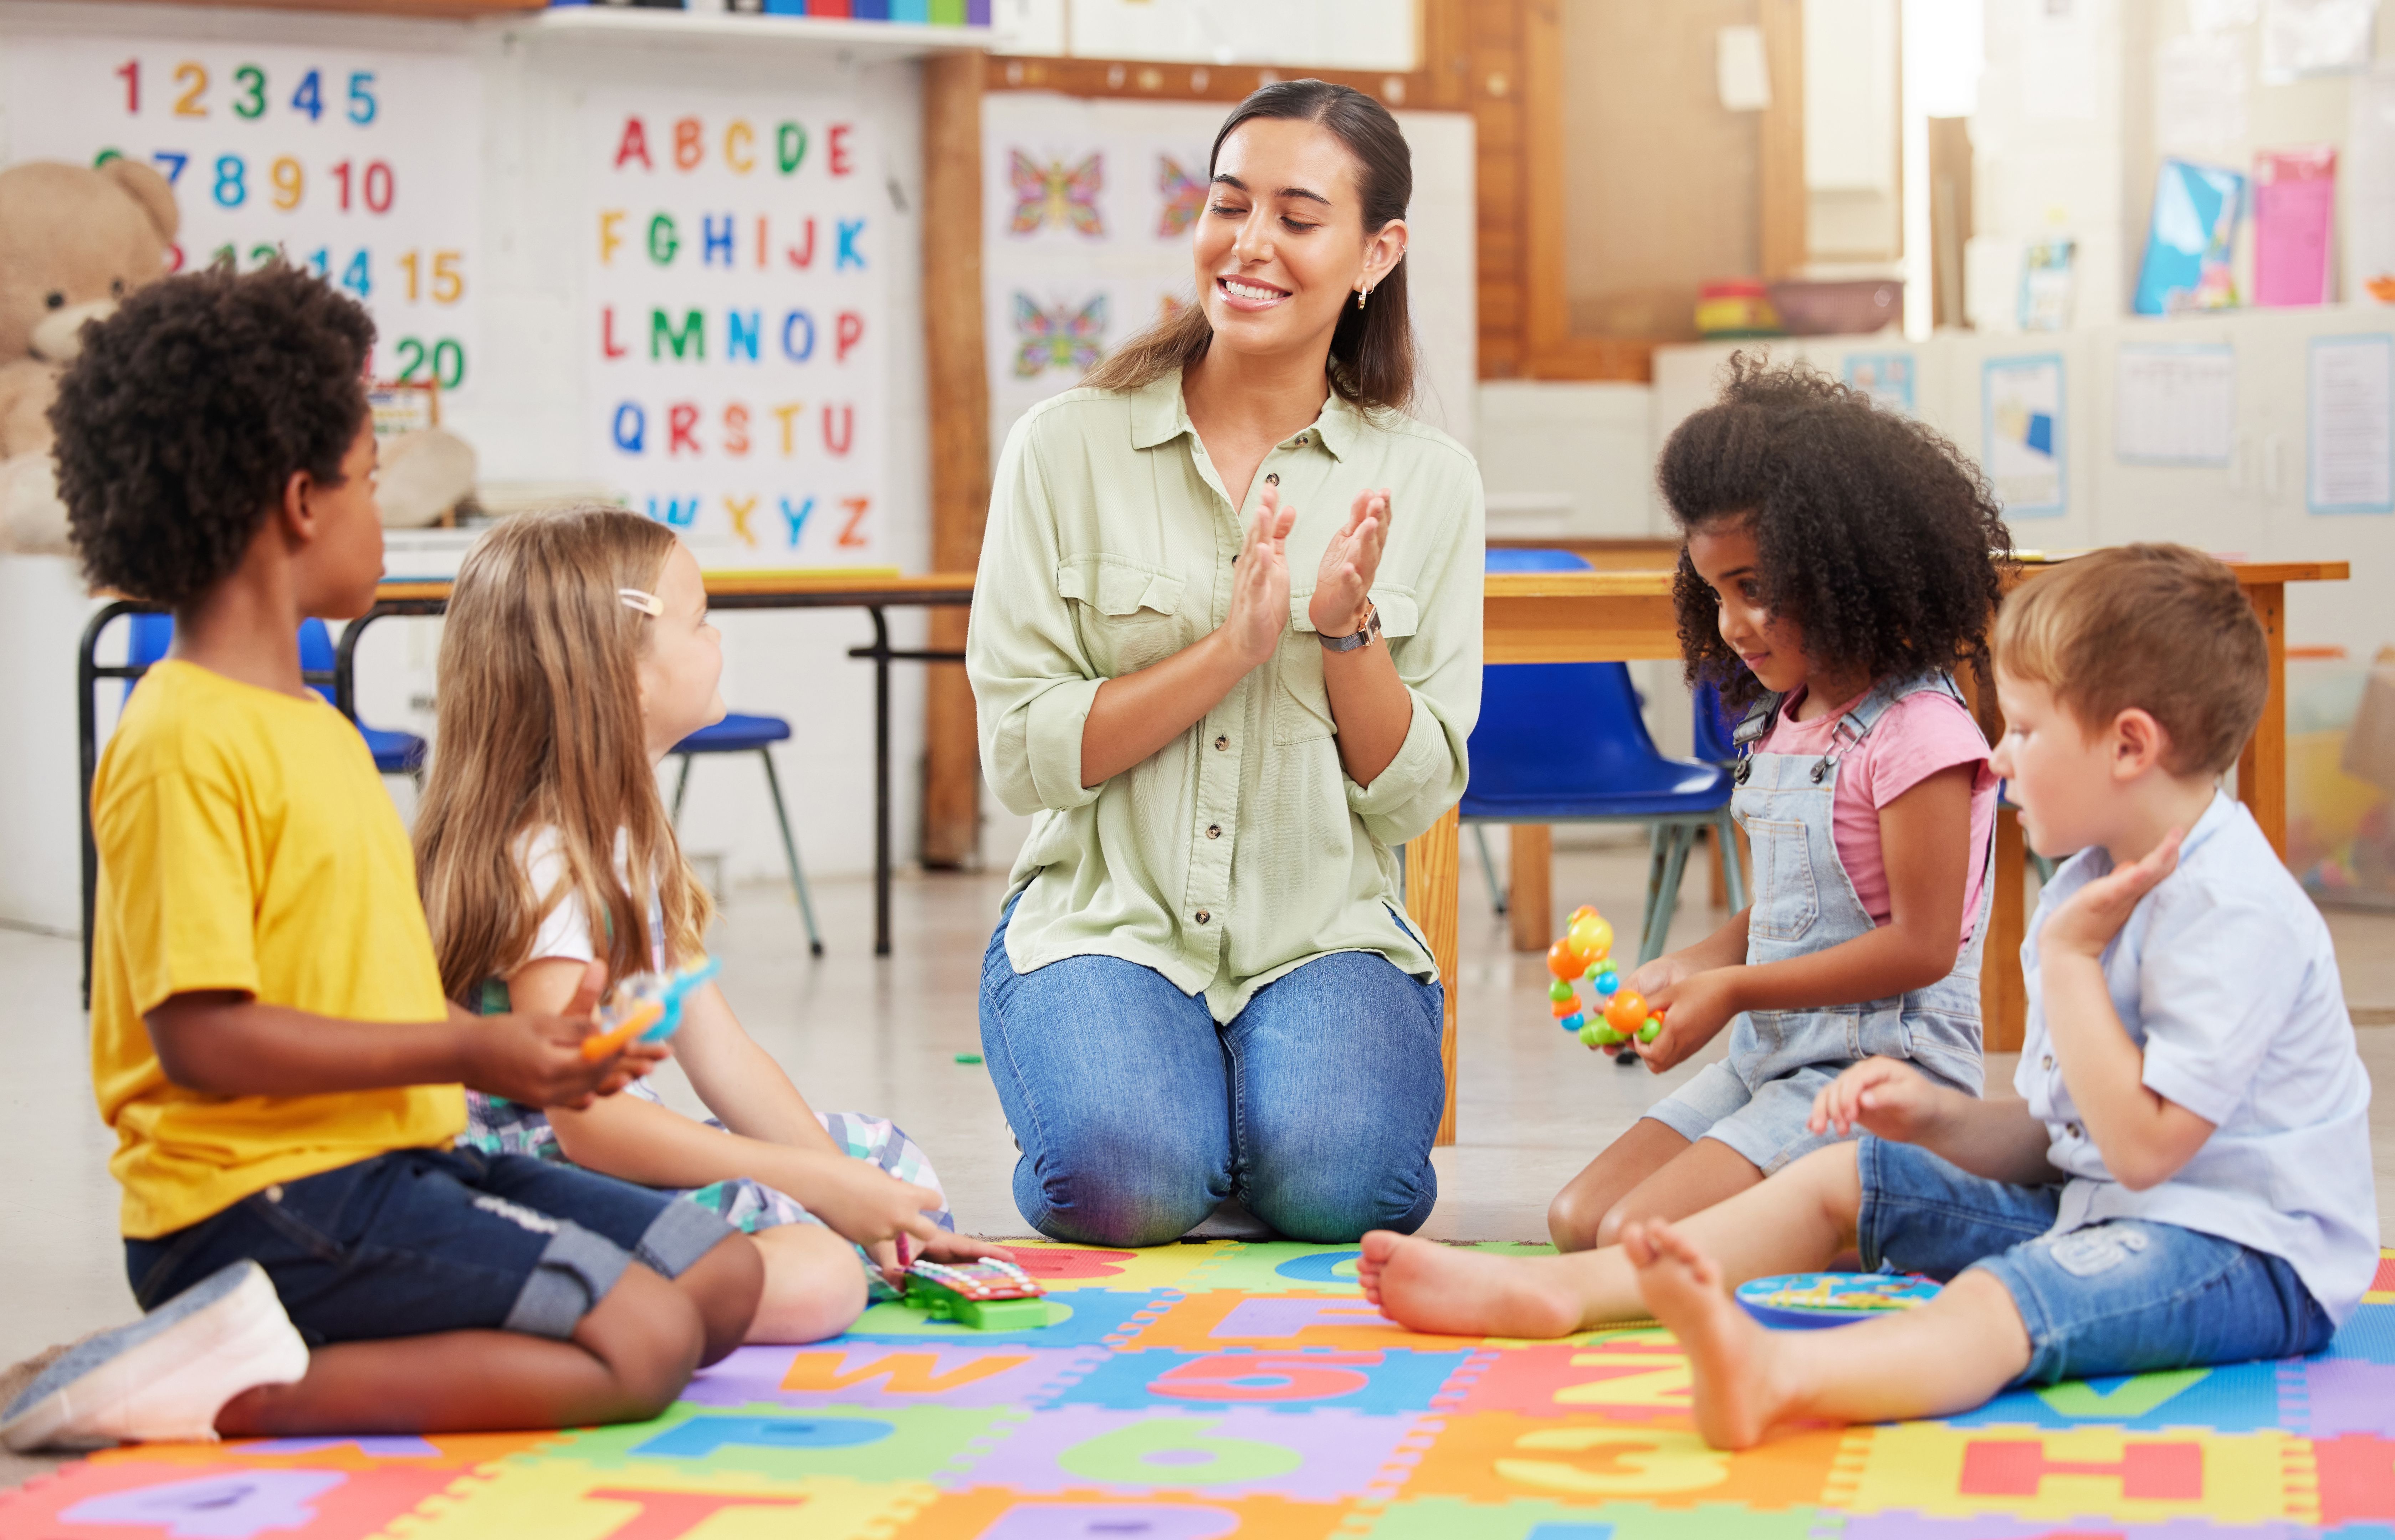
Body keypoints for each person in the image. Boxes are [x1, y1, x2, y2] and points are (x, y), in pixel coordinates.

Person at [1356, 544, 2377, 1449]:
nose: (1999, 756)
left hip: (2243, 1253)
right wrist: (1939, 1119)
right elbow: (2072, 1138)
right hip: (2096, 1206)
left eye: (2020, 730)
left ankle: (1785, 1378)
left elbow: (2149, 1149)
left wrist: (2062, 968)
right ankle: (1553, 1294)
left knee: (1996, 1300)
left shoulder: (2225, 909)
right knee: (1843, 1175)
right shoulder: (2088, 881)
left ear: (2126, 745)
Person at [3, 265, 762, 1454]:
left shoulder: (313, 723)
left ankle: (283, 1346)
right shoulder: (180, 738)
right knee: (646, 1347)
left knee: (718, 1282)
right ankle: (209, 1389)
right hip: (256, 1205)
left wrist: (561, 1049)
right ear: (302, 503)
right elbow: (201, 1041)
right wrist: (474, 1045)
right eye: (368, 483)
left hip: (395, 1160)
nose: (381, 515)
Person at [967, 79, 1483, 1247]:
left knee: (1344, 1196)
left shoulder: (1428, 479)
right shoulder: (1066, 446)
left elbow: (1412, 793)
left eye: (1297, 219)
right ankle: (1165, 1114)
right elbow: (1026, 755)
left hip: (1321, 931)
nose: (1248, 245)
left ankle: (1241, 1117)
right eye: (1225, 204)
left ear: (1374, 252)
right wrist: (1233, 651)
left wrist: (1345, 635)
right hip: (1106, 919)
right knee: (1121, 1186)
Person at [412, 507, 1010, 1345]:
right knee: (819, 1279)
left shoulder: (624, 836)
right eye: (698, 622)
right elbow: (587, 1126)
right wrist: (810, 1188)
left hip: (614, 1154)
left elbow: (720, 1052)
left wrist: (836, 1182)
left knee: (883, 1163)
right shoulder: (548, 864)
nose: (718, 639)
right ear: (624, 675)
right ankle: (564, 1307)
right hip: (536, 1180)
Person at [1545, 359, 2011, 1252]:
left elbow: (1918, 945)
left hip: (1879, 1072)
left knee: (1633, 1238)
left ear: (1847, 569)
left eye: (1755, 587)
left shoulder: (1918, 734)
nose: (1731, 624)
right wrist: (1690, 966)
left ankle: (1894, 1198)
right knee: (1579, 1224)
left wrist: (1734, 990)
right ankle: (1808, 1216)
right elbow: (1808, 909)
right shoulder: (1783, 722)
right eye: (1713, 591)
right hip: (1772, 1059)